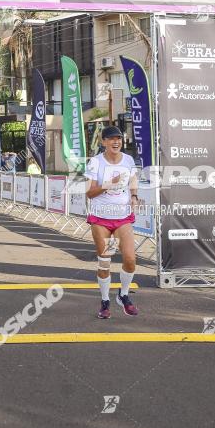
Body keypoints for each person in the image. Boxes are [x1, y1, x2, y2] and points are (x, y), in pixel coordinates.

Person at [84, 126, 140, 319]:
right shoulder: (95, 162)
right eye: (112, 139)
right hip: (101, 220)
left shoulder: (128, 160)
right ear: (104, 142)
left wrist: (134, 196)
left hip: (122, 218)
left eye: (119, 138)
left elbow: (133, 180)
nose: (116, 142)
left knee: (130, 260)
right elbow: (89, 192)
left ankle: (123, 295)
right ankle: (105, 300)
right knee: (105, 262)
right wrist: (109, 183)